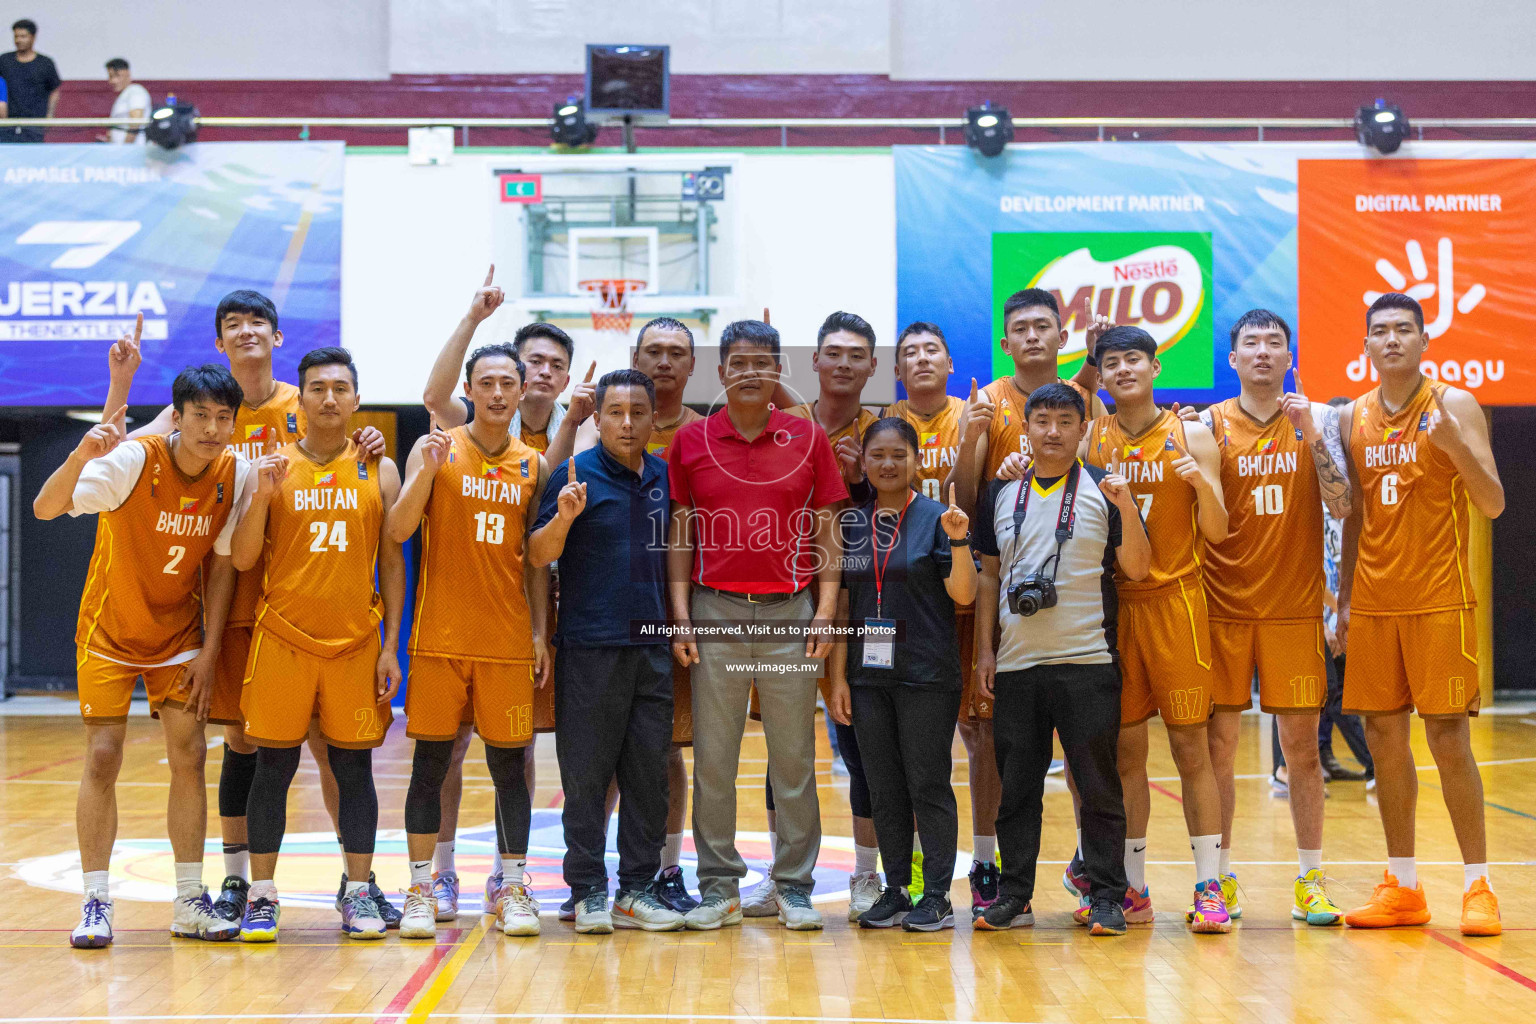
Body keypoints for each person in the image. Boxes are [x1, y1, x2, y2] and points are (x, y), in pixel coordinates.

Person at [106, 292, 392, 930]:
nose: (245, 332)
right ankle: (239, 883)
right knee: (244, 741)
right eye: (231, 325)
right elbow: (123, 449)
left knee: (332, 750)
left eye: (256, 322)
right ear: (218, 345)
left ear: (277, 337)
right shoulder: (202, 412)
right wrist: (119, 386)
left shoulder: (308, 404)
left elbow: (355, 457)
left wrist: (369, 433)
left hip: (312, 599)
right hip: (235, 596)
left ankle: (359, 881)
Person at [34, 360, 251, 948]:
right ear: (175, 419)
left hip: (178, 638)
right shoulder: (136, 460)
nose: (211, 428)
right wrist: (81, 455)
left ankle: (187, 901)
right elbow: (45, 508)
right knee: (103, 756)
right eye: (200, 415)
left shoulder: (238, 474)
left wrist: (208, 649)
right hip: (109, 631)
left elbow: (227, 565)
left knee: (189, 756)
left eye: (223, 417)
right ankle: (97, 902)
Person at [667, 319, 846, 931]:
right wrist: (682, 615)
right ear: (721, 374)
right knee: (715, 759)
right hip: (713, 613)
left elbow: (827, 528)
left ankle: (793, 885)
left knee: (793, 759)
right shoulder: (692, 442)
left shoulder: (807, 437)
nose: (749, 371)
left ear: (778, 372)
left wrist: (825, 609)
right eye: (737, 362)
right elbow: (681, 532)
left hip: (791, 613)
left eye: (761, 361)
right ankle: (718, 886)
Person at [1338, 293, 1505, 937]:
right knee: (1383, 740)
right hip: (1375, 602)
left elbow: (1491, 503)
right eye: (1379, 331)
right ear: (1367, 347)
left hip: (1439, 598)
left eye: (1403, 330)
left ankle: (1478, 884)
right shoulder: (1352, 416)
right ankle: (1403, 885)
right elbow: (1353, 518)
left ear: (1423, 341)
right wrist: (1345, 599)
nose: (1391, 340)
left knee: (1447, 740)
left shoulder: (1454, 405)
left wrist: (1457, 446)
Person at [229, 347, 405, 942]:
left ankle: (358, 891)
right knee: (272, 769)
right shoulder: (271, 467)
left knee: (354, 769)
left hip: (355, 643)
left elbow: (391, 561)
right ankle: (261, 895)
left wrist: (390, 647)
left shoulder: (379, 468)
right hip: (283, 640)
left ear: (356, 399)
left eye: (340, 388)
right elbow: (247, 557)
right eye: (317, 388)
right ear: (297, 401)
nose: (329, 398)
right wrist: (259, 495)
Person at [946, 289, 1105, 917]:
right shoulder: (987, 404)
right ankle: (993, 866)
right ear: (1006, 341)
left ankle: (1091, 864)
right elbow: (963, 498)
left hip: (1078, 598)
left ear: (1060, 336)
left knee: (1087, 749)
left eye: (1045, 326)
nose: (1034, 336)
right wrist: (973, 444)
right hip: (1000, 589)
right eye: (1021, 328)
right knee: (989, 737)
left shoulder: (1080, 402)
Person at [386, 343, 551, 939]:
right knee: (429, 766)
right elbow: (398, 529)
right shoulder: (436, 449)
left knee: (512, 770)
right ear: (471, 390)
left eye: (510, 381)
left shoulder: (533, 465)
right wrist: (424, 474)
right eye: (488, 382)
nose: (500, 392)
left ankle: (512, 887)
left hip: (506, 641)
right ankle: (422, 888)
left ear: (523, 389)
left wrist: (539, 631)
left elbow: (535, 562)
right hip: (439, 640)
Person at [1192, 309, 1352, 925]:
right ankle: (1219, 879)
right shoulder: (1207, 425)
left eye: (1274, 343)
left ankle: (1310, 879)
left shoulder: (1315, 425)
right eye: (1250, 344)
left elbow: (1341, 505)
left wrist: (1312, 434)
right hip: (1224, 610)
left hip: (1292, 612)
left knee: (1303, 753)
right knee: (1221, 750)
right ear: (1232, 359)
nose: (1263, 352)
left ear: (1289, 356)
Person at [971, 383, 1147, 935]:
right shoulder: (1001, 494)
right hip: (1018, 665)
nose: (1052, 431)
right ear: (1025, 426)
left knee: (1099, 787)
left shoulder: (1104, 489)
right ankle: (1014, 895)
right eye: (1041, 420)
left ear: (1083, 428)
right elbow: (990, 577)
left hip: (1088, 660)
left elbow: (1138, 569)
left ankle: (1107, 897)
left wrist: (1128, 508)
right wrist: (983, 652)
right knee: (1016, 789)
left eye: (1064, 421)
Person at [420, 272, 572, 908]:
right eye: (529, 360)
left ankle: (511, 874)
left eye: (551, 365)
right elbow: (434, 392)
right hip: (455, 616)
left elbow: (543, 538)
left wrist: (541, 630)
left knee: (519, 748)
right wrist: (472, 318)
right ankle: (444, 868)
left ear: (563, 379)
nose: (539, 373)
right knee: (448, 748)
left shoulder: (563, 436)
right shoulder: (468, 422)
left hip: (526, 610)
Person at [1079, 325, 1230, 932]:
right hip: (1116, 609)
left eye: (1133, 359)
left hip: (1178, 605)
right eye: (1110, 362)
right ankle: (1133, 887)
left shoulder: (1191, 433)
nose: (1122, 370)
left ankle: (1208, 887)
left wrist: (1201, 482)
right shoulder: (1092, 438)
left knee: (1192, 749)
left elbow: (1218, 530)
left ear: (1155, 366)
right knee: (1125, 756)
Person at [531, 369, 684, 933]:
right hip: (590, 646)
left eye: (637, 412)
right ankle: (589, 889)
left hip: (653, 649)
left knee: (647, 775)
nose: (626, 422)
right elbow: (535, 553)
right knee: (587, 778)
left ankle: (637, 889)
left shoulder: (666, 477)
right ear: (597, 418)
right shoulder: (574, 474)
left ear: (652, 419)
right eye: (615, 412)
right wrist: (564, 520)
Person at [826, 418, 976, 931]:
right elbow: (844, 607)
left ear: (915, 461)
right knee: (883, 784)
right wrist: (839, 678)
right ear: (864, 462)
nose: (888, 464)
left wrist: (958, 542)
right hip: (869, 677)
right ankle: (895, 888)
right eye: (878, 455)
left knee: (927, 782)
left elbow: (965, 595)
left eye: (898, 454)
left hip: (927, 673)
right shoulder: (852, 523)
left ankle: (936, 893)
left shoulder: (940, 518)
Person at [757, 310, 880, 921]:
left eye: (856, 354)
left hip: (856, 604)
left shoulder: (883, 432)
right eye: (832, 352)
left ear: (872, 367)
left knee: (858, 747)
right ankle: (784, 878)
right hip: (775, 600)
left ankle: (865, 876)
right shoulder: (777, 428)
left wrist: (859, 483)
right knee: (785, 751)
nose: (843, 363)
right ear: (815, 362)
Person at [881, 321, 989, 913]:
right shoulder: (882, 422)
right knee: (888, 763)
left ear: (950, 362)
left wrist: (971, 443)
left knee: (975, 738)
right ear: (897, 370)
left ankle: (981, 864)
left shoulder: (975, 413)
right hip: (889, 606)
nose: (921, 360)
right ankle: (900, 878)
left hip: (956, 577)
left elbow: (970, 499)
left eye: (931, 351)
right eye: (909, 354)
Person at [0, 19, 60, 143]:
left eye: (23, 36)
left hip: (35, 125)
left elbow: (54, 90)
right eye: (16, 36)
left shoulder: (45, 63)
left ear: (33, 37)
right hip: (7, 125)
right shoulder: (4, 61)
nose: (18, 40)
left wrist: (49, 116)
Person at [102, 58, 150, 144]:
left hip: (132, 151)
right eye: (110, 76)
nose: (113, 81)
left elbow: (136, 123)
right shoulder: (123, 96)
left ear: (127, 73)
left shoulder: (135, 91)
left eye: (117, 75)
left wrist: (125, 148)